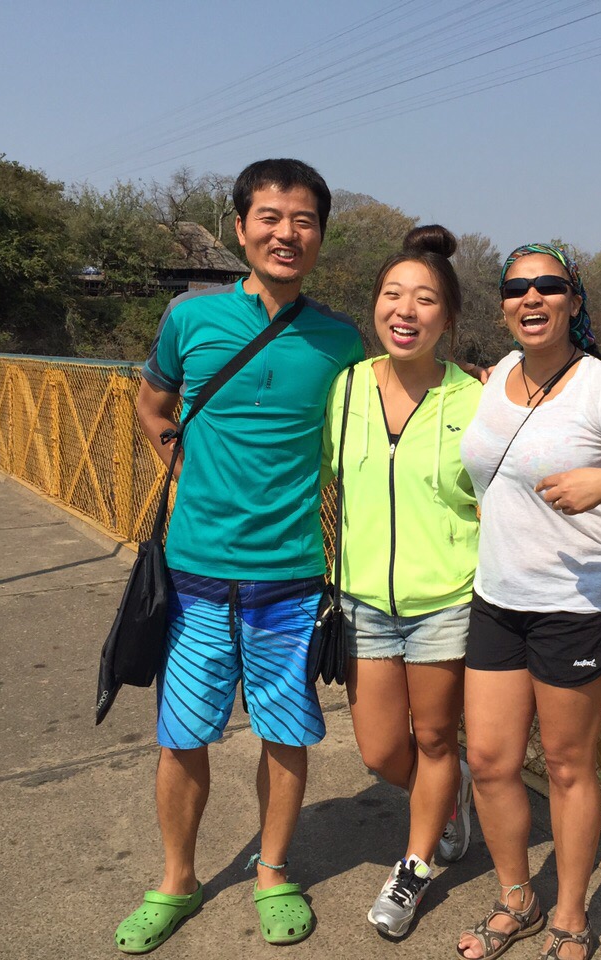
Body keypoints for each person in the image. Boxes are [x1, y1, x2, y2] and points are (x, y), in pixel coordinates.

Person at [115, 158, 363, 953]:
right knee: (182, 733)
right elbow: (152, 402)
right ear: (240, 227)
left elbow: (395, 411)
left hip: (291, 577)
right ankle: (176, 880)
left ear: (320, 234)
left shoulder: (341, 341)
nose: (286, 233)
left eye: (303, 221)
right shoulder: (190, 318)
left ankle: (274, 872)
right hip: (192, 573)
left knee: (284, 731)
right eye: (270, 218)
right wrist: (185, 468)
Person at [456, 243, 601, 960]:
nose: (531, 297)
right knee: (489, 760)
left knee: (565, 765)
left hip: (577, 604)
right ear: (503, 305)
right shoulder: (494, 377)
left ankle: (569, 915)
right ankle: (516, 898)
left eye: (548, 286)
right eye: (516, 288)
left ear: (573, 301)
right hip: (497, 595)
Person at [321, 225, 482, 940]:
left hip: (446, 599)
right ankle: (448, 795)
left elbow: (518, 479)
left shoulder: (474, 399)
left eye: (424, 299)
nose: (405, 310)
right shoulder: (347, 387)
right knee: (383, 751)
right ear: (376, 306)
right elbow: (305, 470)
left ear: (448, 318)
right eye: (392, 295)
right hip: (361, 599)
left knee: (437, 739)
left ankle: (413, 867)